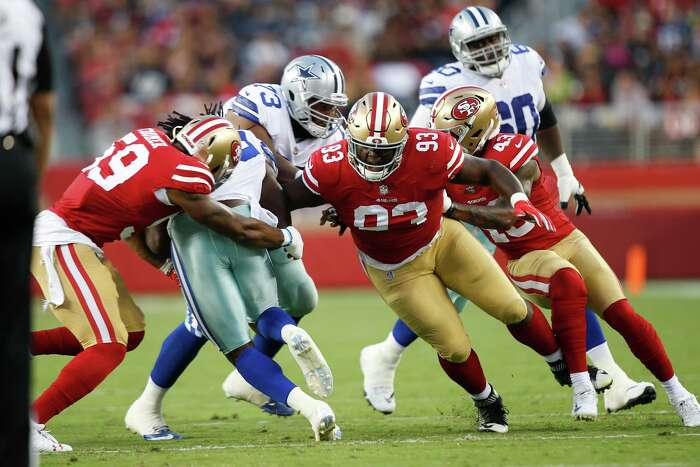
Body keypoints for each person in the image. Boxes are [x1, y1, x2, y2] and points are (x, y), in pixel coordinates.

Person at [360, 5, 651, 416]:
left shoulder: (527, 60)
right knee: (469, 287)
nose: (490, 49)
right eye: (478, 43)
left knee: (562, 273)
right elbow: (416, 141)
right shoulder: (441, 83)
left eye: (494, 39)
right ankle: (386, 354)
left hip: (524, 185)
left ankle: (612, 380)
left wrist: (564, 171)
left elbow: (544, 113)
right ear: (459, 49)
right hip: (473, 191)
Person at [285, 91, 598, 432]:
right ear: (350, 140)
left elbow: (491, 169)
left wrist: (519, 199)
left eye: (383, 151)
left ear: (403, 142)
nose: (373, 159)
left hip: (444, 239)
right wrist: (284, 235)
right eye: (365, 149)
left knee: (511, 307)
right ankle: (487, 401)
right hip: (396, 270)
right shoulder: (329, 165)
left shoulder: (429, 150)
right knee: (455, 347)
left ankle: (559, 363)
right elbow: (284, 197)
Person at [30, 113, 303, 451]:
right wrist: (284, 237)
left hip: (77, 238)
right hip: (64, 239)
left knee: (129, 333)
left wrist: (162, 266)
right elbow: (235, 226)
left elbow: (130, 224)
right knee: (107, 346)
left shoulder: (149, 139)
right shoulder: (186, 174)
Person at [431, 85, 700, 427]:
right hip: (526, 256)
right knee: (567, 280)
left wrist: (455, 210)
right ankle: (581, 385)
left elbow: (510, 212)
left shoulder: (513, 151)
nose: (446, 141)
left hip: (568, 239)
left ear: (480, 128)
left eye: (453, 133)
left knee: (624, 316)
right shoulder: (448, 169)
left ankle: (679, 393)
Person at [136, 55, 348, 418]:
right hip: (220, 214)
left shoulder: (335, 136)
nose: (329, 114)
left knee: (297, 299)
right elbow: (233, 143)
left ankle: (246, 379)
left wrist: (338, 198)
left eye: (334, 106)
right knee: (205, 321)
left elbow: (298, 187)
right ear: (296, 98)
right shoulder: (263, 104)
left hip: (265, 219)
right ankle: (148, 405)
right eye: (321, 105)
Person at [0, 0, 54, 460]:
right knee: (11, 324)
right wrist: (31, 176)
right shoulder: (23, 11)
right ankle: (15, 450)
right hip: (10, 156)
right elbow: (45, 105)